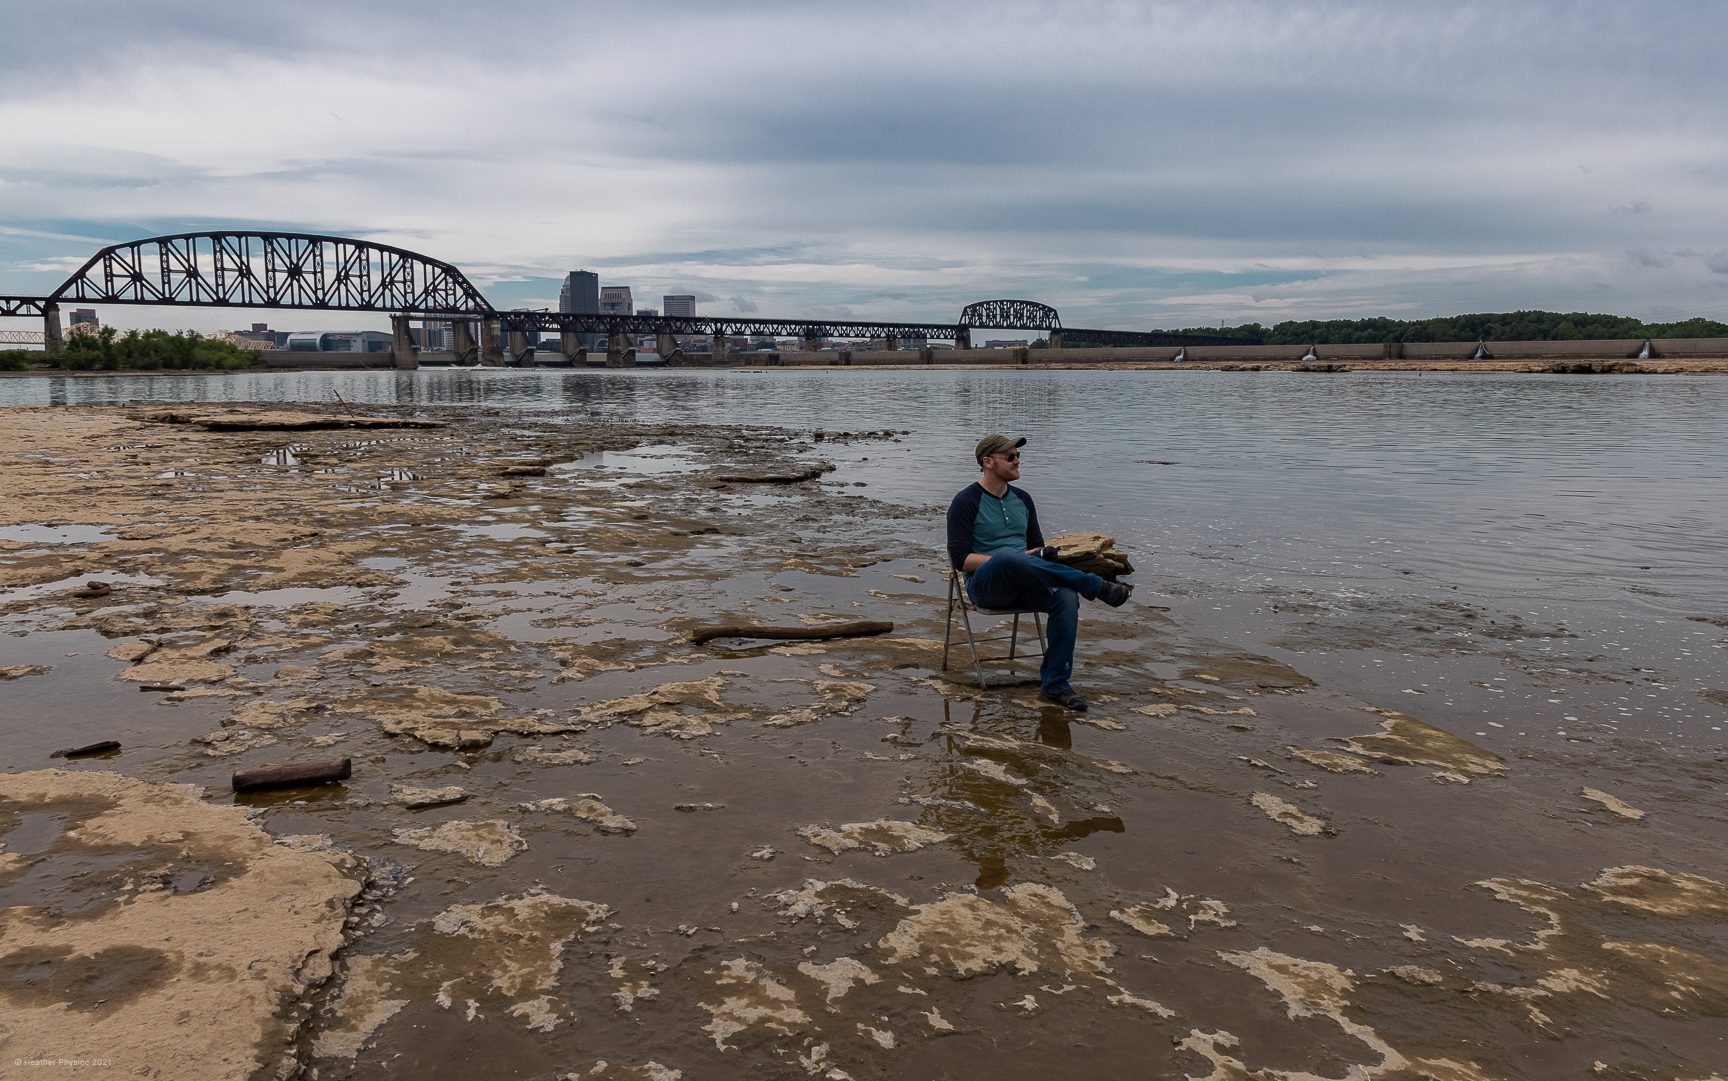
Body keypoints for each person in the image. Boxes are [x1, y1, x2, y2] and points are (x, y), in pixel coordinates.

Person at [946, 433, 1130, 712]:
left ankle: (1056, 685)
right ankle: (1095, 586)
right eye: (1010, 457)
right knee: (1007, 556)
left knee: (1066, 597)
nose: (1017, 461)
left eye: (1018, 456)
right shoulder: (966, 501)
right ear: (988, 462)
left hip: (1026, 581)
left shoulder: (1023, 499)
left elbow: (1038, 551)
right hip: (986, 586)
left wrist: (1034, 556)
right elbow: (961, 560)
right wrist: (1007, 559)